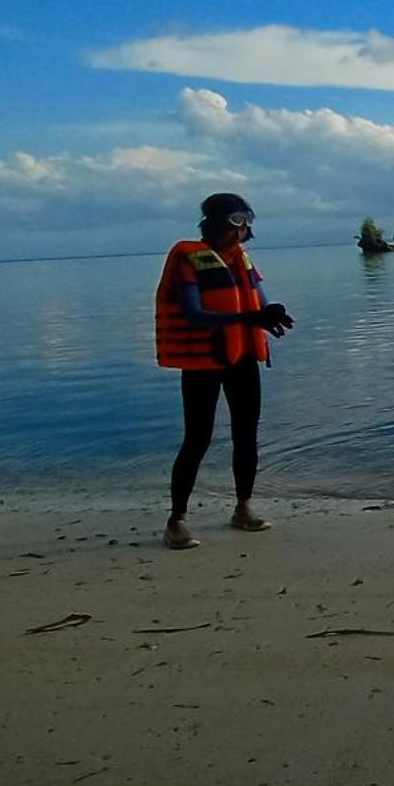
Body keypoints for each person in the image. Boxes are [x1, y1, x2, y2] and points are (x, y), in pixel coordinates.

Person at [154, 193, 293, 548]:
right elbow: (193, 313)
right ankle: (177, 520)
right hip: (204, 360)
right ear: (214, 223)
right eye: (235, 223)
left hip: (242, 357)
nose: (242, 231)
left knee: (246, 433)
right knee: (197, 437)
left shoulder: (243, 261)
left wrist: (270, 312)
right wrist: (249, 317)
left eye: (247, 224)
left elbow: (259, 301)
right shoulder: (189, 258)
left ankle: (243, 508)